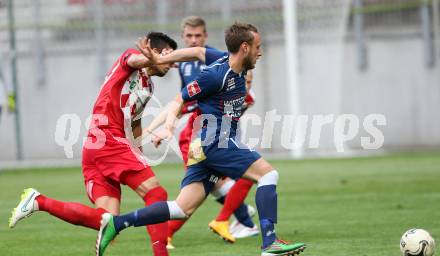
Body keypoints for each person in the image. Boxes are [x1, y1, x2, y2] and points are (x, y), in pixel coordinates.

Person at [96, 22, 306, 256]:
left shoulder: (229, 62)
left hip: (202, 147)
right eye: (258, 46)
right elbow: (179, 99)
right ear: (245, 48)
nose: (261, 52)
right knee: (268, 174)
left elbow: (197, 52)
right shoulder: (215, 75)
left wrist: (163, 59)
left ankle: (116, 223)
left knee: (180, 209)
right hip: (216, 142)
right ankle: (270, 243)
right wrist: (168, 127)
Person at [8, 32, 178, 256]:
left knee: (106, 220)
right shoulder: (131, 58)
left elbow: (135, 121)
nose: (173, 62)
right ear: (153, 50)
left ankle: (39, 201)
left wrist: (139, 154)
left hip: (97, 144)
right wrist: (149, 58)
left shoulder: (148, 88)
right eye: (169, 55)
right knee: (156, 194)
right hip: (108, 137)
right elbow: (135, 60)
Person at [165, 15, 258, 248]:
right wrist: (168, 123)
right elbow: (182, 97)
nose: (194, 40)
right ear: (183, 37)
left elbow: (241, 81)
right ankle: (239, 216)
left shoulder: (219, 59)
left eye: (198, 36)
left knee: (205, 182)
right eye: (189, 36)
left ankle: (238, 218)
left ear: (206, 37)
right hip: (197, 127)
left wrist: (245, 92)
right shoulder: (183, 63)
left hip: (208, 129)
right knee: (210, 182)